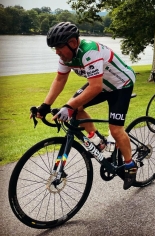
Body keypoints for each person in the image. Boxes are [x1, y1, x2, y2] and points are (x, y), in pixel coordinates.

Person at [34, 22, 137, 190]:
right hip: (101, 84)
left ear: (73, 43)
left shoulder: (89, 51)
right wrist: (45, 105)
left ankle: (130, 165)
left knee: (116, 129)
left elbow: (94, 87)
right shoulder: (66, 57)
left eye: (59, 47)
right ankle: (98, 140)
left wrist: (69, 106)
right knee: (76, 107)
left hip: (120, 85)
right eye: (54, 48)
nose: (57, 52)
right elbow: (60, 79)